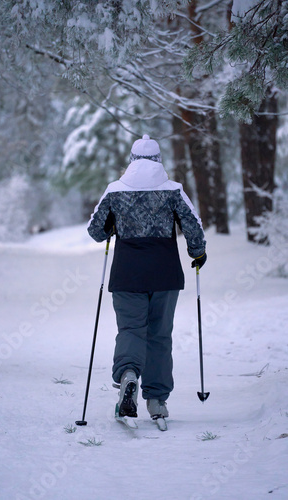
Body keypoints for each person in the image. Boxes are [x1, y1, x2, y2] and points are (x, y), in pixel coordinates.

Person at [87, 134, 206, 422]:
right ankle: (157, 399)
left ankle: (128, 375)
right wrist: (197, 253)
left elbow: (95, 230)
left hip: (127, 274)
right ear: (158, 160)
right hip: (165, 274)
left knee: (131, 330)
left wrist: (114, 224)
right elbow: (193, 226)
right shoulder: (173, 190)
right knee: (159, 335)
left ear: (131, 160)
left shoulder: (115, 191)